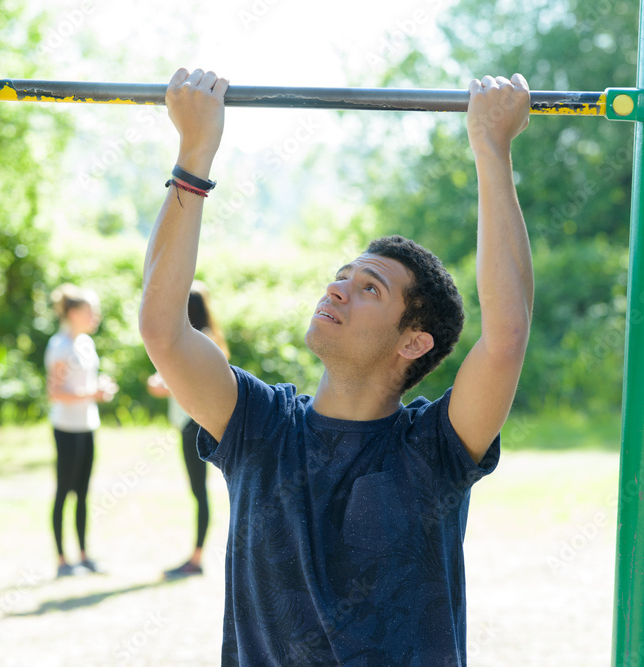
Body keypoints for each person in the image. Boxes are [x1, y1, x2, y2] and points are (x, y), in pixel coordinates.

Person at [139, 68, 533, 665]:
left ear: (413, 342)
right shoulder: (259, 427)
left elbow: (505, 337)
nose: (339, 287)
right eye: (342, 274)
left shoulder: (434, 448)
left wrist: (491, 148)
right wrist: (194, 153)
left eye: (370, 287)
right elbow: (162, 329)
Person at [146, 281, 228, 578]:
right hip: (194, 424)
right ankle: (196, 555)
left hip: (195, 426)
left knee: (199, 492)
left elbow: (191, 383)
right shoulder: (204, 338)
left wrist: (166, 384)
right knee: (199, 492)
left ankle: (196, 558)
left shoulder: (199, 340)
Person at [45, 284, 118, 577]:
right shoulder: (60, 346)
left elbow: (84, 385)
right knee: (64, 491)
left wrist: (100, 390)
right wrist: (93, 393)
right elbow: (55, 392)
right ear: (73, 313)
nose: (96, 316)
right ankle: (63, 560)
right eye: (91, 311)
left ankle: (84, 555)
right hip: (66, 427)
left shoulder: (86, 343)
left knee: (84, 492)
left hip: (88, 425)